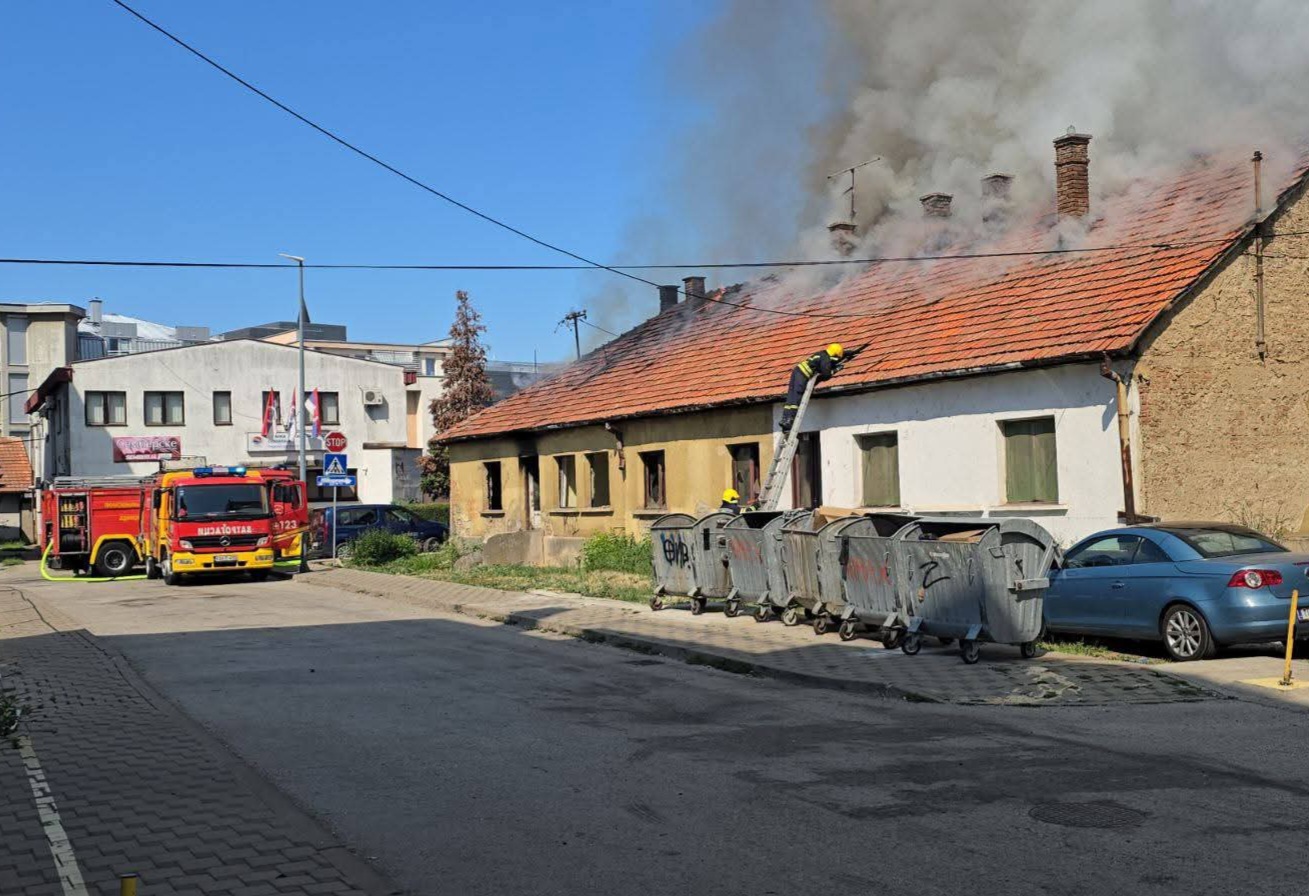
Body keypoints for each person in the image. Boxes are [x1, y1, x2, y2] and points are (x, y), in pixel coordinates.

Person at [780, 343, 844, 431]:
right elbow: (826, 374)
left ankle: (784, 419)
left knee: (791, 396)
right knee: (797, 396)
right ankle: (789, 420)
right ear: (835, 353)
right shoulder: (825, 359)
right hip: (802, 375)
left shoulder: (821, 354)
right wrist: (835, 370)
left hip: (796, 371)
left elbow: (822, 366)